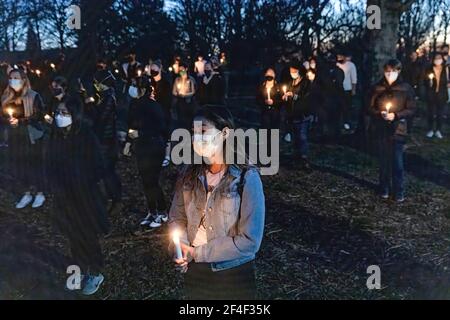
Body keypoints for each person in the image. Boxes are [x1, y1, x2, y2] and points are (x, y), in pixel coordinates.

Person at [169, 106, 265, 300]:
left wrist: (197, 253)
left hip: (233, 274)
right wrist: (181, 247)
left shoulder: (246, 177)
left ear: (224, 133)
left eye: (203, 131)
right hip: (196, 273)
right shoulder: (189, 174)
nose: (197, 138)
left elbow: (250, 240)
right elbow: (176, 218)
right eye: (194, 132)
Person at [47, 85, 109, 295]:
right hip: (64, 196)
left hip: (85, 197)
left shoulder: (86, 137)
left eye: (64, 113)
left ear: (75, 114)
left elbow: (99, 166)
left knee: (87, 235)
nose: (59, 116)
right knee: (73, 235)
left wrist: (81, 178)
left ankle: (96, 271)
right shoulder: (56, 137)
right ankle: (78, 270)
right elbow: (51, 163)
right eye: (58, 112)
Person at [368, 59, 416, 202]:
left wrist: (396, 115)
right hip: (381, 129)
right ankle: (384, 188)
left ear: (399, 71)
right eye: (388, 71)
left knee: (397, 162)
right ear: (384, 71)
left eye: (393, 71)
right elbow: (369, 107)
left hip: (398, 129)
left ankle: (398, 191)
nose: (390, 74)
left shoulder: (406, 88)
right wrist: (379, 114)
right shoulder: (377, 88)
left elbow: (412, 109)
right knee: (383, 161)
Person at [1, 68, 47, 209]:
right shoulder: (6, 96)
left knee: (34, 165)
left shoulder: (33, 96)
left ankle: (40, 193)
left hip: (31, 136)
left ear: (23, 79)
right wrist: (7, 120)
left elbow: (39, 115)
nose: (13, 80)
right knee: (20, 166)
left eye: (16, 77)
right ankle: (26, 193)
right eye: (11, 77)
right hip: (15, 137)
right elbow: (2, 116)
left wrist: (20, 121)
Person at [128, 75, 168, 228]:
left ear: (143, 89)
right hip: (141, 148)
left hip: (154, 147)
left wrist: (141, 133)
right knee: (146, 181)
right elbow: (131, 123)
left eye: (135, 85)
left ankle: (162, 212)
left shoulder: (153, 106)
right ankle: (152, 211)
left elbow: (160, 128)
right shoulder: (134, 104)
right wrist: (129, 140)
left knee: (153, 181)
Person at [91, 66, 123, 214]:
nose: (95, 85)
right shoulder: (103, 97)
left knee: (108, 171)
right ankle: (110, 198)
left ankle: (117, 200)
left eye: (97, 82)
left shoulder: (109, 98)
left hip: (108, 141)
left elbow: (101, 118)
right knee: (104, 171)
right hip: (103, 139)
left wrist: (90, 107)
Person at [282, 63, 312, 168]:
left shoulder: (306, 83)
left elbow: (306, 98)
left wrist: (294, 96)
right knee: (295, 138)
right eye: (291, 71)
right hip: (292, 115)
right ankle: (296, 158)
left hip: (302, 115)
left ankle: (304, 158)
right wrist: (286, 97)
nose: (292, 73)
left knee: (302, 137)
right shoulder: (292, 83)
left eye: (294, 71)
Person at [149, 60, 173, 167]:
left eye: (155, 68)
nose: (153, 70)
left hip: (163, 112)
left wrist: (156, 99)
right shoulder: (150, 82)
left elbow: (167, 100)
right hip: (152, 113)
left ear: (159, 69)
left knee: (165, 134)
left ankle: (167, 156)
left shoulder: (166, 83)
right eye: (151, 69)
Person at [424, 53, 449, 139]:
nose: (438, 60)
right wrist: (429, 81)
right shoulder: (429, 69)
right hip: (431, 94)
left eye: (439, 58)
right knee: (430, 112)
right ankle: (430, 129)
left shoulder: (446, 68)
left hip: (442, 94)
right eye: (436, 58)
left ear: (442, 59)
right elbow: (425, 80)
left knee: (440, 113)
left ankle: (438, 130)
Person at [256, 68, 281, 138]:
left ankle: (273, 147)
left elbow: (282, 100)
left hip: (275, 113)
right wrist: (264, 102)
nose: (269, 75)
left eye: (271, 73)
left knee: (274, 133)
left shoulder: (278, 87)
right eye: (268, 73)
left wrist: (274, 102)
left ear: (275, 75)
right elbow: (257, 99)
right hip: (265, 113)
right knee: (265, 132)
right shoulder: (262, 86)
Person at [336, 52, 357, 130]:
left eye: (340, 56)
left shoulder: (351, 65)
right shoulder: (336, 65)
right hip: (337, 90)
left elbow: (354, 78)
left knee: (346, 107)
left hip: (347, 89)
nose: (339, 58)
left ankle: (346, 122)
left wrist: (353, 90)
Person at [172, 63, 197, 129]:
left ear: (186, 69)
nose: (181, 71)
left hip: (189, 102)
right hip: (180, 102)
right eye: (180, 70)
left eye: (182, 69)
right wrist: (178, 94)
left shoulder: (190, 79)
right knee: (181, 119)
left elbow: (193, 91)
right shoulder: (177, 79)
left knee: (188, 120)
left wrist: (185, 95)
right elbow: (174, 91)